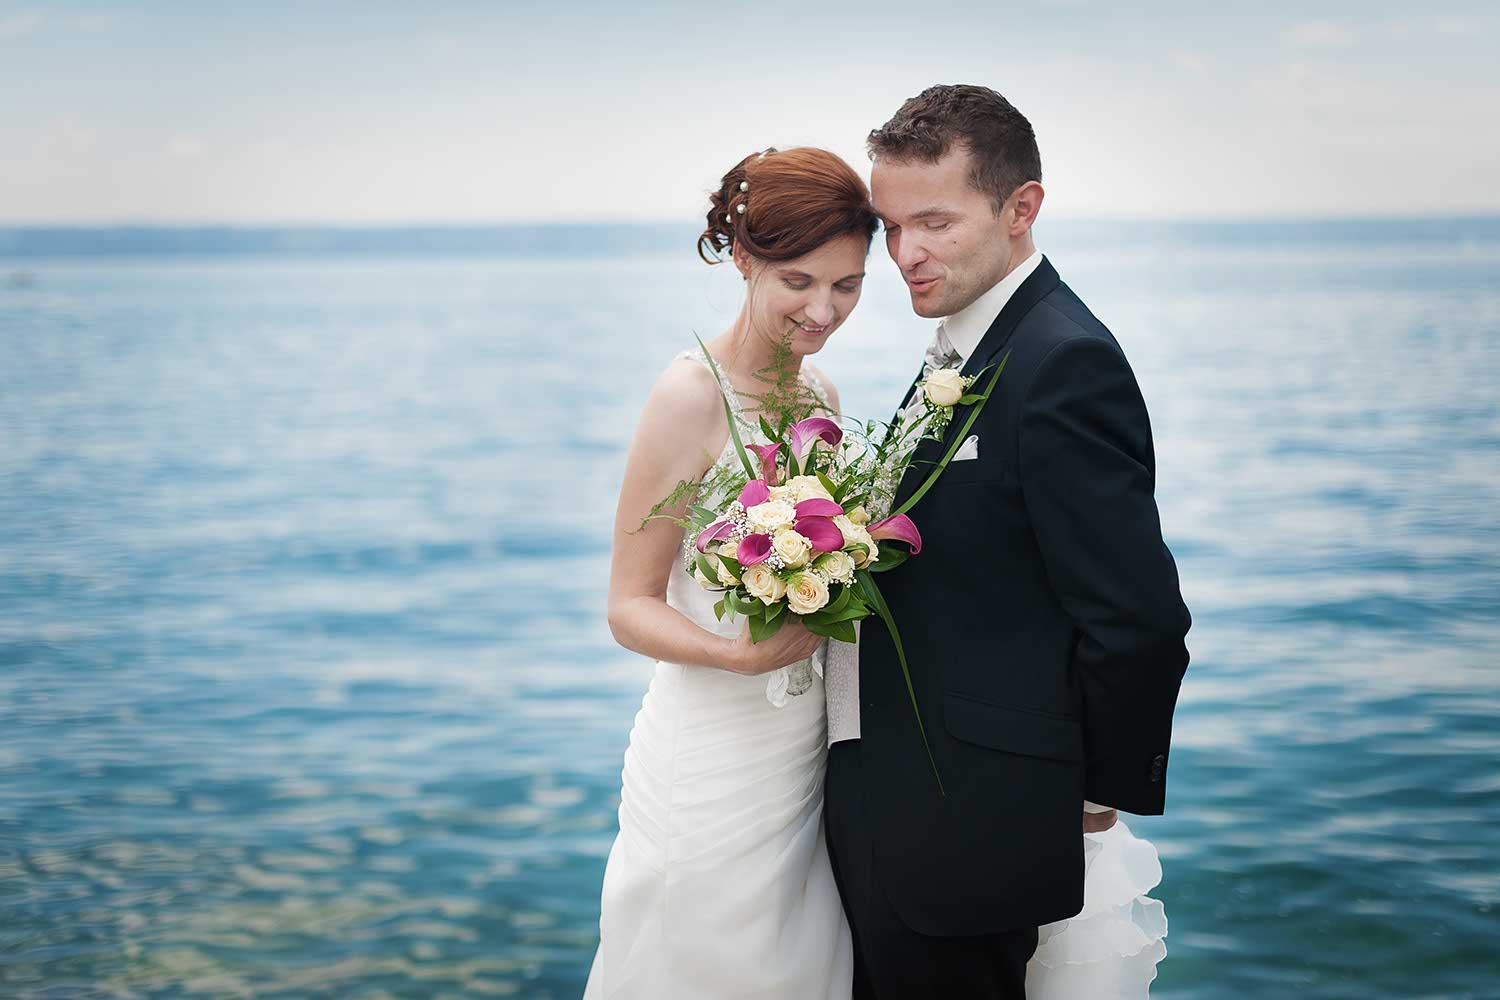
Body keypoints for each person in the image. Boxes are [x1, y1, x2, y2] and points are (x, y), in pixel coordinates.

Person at [820, 84, 1190, 998]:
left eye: (935, 223)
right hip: (903, 805)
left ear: (1021, 209)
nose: (906, 254)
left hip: (973, 828)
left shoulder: (1064, 361)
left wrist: (1094, 802)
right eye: (891, 226)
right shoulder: (966, 341)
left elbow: (1137, 618)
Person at [583, 146, 876, 999]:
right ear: (744, 258)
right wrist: (739, 656)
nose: (823, 309)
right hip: (711, 759)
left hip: (804, 757)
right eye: (798, 281)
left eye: (848, 285)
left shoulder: (820, 392)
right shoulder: (690, 396)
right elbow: (628, 606)